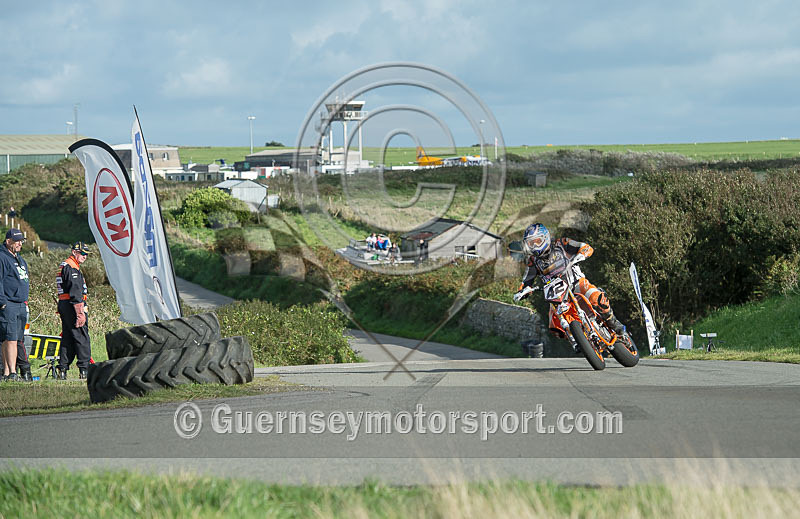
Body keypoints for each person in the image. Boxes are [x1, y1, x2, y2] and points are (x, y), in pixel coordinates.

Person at [512, 223, 630, 349]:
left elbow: (584, 246)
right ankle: (576, 340)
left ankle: (616, 326)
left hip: (576, 283)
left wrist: (582, 253)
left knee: (597, 298)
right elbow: (527, 280)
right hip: (557, 295)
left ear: (545, 237)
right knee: (555, 326)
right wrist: (523, 291)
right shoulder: (533, 261)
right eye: (531, 243)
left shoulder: (561, 243)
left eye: (537, 241)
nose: (535, 246)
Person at [56, 241, 91, 380]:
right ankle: (85, 369)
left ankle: (63, 369)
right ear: (74, 252)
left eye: (87, 254)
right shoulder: (71, 267)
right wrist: (80, 313)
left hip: (65, 304)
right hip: (73, 305)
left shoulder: (67, 265)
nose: (85, 256)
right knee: (81, 336)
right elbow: (75, 292)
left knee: (68, 337)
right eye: (82, 253)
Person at [0, 228, 31, 382]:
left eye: (21, 241)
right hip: (9, 304)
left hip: (20, 303)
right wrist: (2, 303)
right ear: (8, 241)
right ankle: (12, 372)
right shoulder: (2, 257)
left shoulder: (18, 258)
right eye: (17, 241)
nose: (20, 243)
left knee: (16, 338)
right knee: (10, 338)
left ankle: (6, 373)